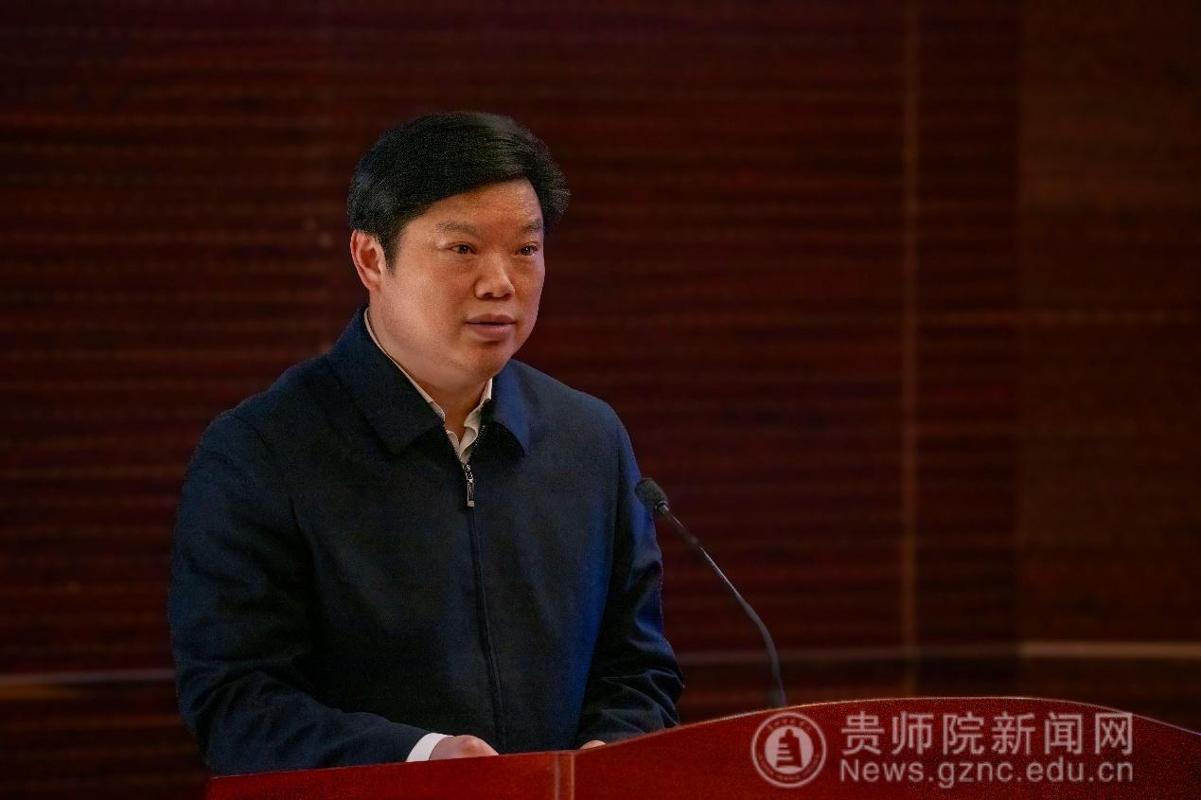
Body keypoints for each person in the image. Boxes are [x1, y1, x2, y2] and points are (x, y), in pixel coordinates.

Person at [168, 111, 683, 775]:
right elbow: (236, 705)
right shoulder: (260, 452)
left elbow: (636, 669)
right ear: (370, 258)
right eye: (463, 249)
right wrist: (423, 759)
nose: (500, 282)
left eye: (525, 250)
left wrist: (612, 754)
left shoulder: (588, 439)